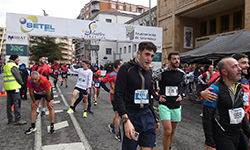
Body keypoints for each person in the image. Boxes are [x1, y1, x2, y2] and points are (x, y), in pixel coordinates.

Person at [114, 41, 160, 150]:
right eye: (147, 54)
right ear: (139, 53)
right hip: (132, 117)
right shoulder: (126, 69)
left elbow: (149, 96)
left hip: (147, 116)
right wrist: (126, 120)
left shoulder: (149, 71)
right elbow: (118, 96)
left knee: (148, 147)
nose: (149, 58)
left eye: (152, 56)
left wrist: (155, 117)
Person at [203, 57, 250, 150]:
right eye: (234, 66)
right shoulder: (214, 89)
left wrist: (248, 133)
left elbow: (241, 112)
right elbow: (207, 117)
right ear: (225, 72)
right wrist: (210, 143)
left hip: (237, 132)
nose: (239, 68)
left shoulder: (239, 87)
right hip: (222, 134)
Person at [152, 52, 188, 150]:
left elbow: (186, 84)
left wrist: (182, 95)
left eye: (178, 59)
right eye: (174, 59)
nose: (177, 61)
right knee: (167, 131)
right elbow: (150, 82)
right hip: (164, 104)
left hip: (176, 104)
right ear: (169, 61)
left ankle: (169, 147)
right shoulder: (162, 72)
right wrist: (157, 96)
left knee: (172, 131)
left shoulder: (181, 73)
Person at [100, 59, 123, 141]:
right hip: (114, 97)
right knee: (117, 114)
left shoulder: (123, 74)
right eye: (122, 64)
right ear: (118, 66)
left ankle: (112, 125)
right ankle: (118, 133)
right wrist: (109, 90)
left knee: (119, 113)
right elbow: (102, 82)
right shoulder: (111, 74)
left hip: (123, 97)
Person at [4, 54, 27, 125]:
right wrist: (22, 84)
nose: (18, 60)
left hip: (8, 87)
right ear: (14, 59)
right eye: (17, 58)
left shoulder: (6, 65)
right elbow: (18, 76)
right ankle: (18, 119)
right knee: (17, 103)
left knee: (9, 104)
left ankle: (10, 118)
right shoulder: (13, 66)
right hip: (14, 87)